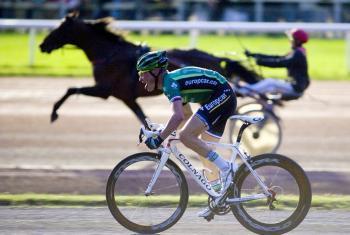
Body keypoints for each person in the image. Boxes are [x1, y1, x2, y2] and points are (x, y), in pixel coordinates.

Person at [137, 50, 237, 218]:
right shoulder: (170, 83)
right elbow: (186, 116)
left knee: (186, 137)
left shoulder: (170, 84)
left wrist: (160, 138)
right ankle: (218, 197)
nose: (140, 78)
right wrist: (164, 130)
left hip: (223, 95)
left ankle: (228, 168)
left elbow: (178, 116)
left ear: (155, 71)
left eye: (142, 73)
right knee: (203, 148)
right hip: (220, 96)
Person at [238, 28, 310, 97]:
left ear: (297, 41)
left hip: (295, 87)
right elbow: (276, 58)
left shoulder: (298, 53)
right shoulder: (297, 51)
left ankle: (243, 91)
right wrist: (254, 55)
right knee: (268, 87)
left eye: (291, 38)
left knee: (270, 82)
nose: (289, 40)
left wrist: (261, 62)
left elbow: (280, 63)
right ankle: (248, 93)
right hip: (294, 85)